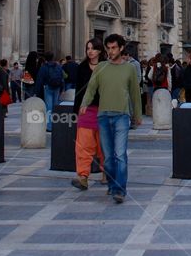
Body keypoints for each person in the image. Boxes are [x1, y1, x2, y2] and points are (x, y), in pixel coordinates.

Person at [79, 34, 142, 204]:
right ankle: (113, 185)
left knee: (120, 154)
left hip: (122, 115)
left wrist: (138, 114)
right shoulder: (101, 67)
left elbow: (135, 93)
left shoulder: (129, 68)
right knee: (107, 157)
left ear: (121, 48)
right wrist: (84, 103)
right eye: (108, 48)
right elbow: (91, 88)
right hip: (103, 116)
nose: (110, 51)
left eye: (114, 47)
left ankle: (120, 189)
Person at [72, 38, 106, 190]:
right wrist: (76, 110)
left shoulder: (107, 66)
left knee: (104, 145)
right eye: (88, 48)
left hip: (104, 110)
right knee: (83, 145)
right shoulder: (82, 67)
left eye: (92, 48)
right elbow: (78, 90)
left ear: (99, 50)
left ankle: (106, 174)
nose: (89, 51)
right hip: (86, 110)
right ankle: (83, 176)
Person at [35, 52, 64, 131]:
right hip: (57, 87)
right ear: (53, 57)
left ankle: (50, 126)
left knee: (49, 107)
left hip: (48, 87)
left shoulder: (43, 67)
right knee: (56, 106)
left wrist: (37, 91)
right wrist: (62, 89)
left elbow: (39, 80)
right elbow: (62, 78)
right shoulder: (58, 66)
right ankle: (56, 125)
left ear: (45, 58)